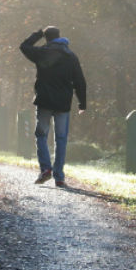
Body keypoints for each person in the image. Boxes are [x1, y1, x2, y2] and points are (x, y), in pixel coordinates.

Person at [20, 26, 87, 187]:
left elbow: (24, 46)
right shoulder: (70, 56)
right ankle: (59, 177)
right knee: (61, 139)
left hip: (44, 101)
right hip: (63, 104)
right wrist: (82, 102)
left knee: (41, 135)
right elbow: (79, 80)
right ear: (60, 36)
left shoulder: (42, 52)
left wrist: (37, 34)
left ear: (47, 38)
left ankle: (45, 169)